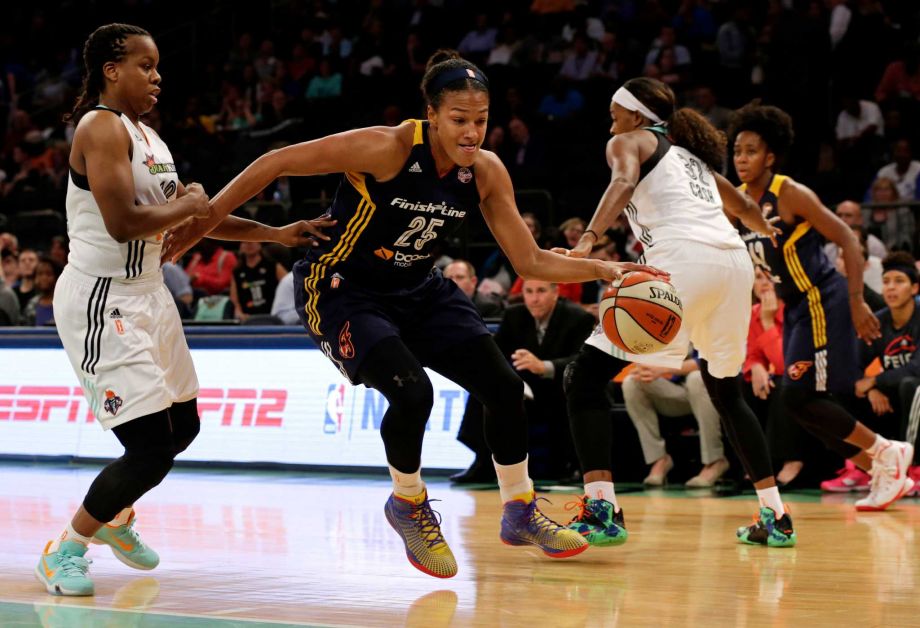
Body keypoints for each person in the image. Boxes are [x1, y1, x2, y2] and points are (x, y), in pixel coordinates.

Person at [161, 50, 663, 579]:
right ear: (432, 113)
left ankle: (519, 510)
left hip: (420, 290)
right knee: (412, 392)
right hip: (341, 288)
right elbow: (276, 160)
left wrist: (610, 271)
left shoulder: (486, 172)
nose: (472, 132)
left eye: (482, 120)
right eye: (459, 120)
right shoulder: (386, 148)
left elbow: (530, 260)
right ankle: (408, 503)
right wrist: (201, 221)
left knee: (504, 386)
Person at [38, 23, 326, 598]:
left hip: (149, 294)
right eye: (145, 66)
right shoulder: (98, 127)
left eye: (158, 66)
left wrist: (277, 233)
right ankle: (65, 550)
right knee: (147, 449)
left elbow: (195, 218)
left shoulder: (149, 138)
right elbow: (122, 222)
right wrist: (189, 204)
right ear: (111, 70)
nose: (157, 77)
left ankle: (115, 515)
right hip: (104, 297)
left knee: (184, 426)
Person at [559, 77, 794, 549]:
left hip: (682, 259)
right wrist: (762, 226)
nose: (611, 122)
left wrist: (587, 239)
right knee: (726, 391)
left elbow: (623, 182)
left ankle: (602, 510)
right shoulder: (694, 159)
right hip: (733, 265)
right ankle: (776, 517)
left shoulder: (628, 141)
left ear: (635, 115)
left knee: (583, 377)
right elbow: (744, 205)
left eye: (614, 112)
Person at [729, 102, 913, 513]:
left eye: (751, 150)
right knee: (795, 402)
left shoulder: (790, 193)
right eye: (737, 150)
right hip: (794, 308)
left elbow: (847, 238)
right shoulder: (737, 202)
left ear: (770, 156)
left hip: (822, 300)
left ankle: (885, 451)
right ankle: (880, 464)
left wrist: (856, 300)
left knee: (802, 395)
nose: (742, 159)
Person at [855, 251, 920, 496]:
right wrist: (872, 389)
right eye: (886, 281)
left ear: (914, 288)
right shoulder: (877, 322)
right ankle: (861, 466)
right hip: (891, 395)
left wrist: (875, 380)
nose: (891, 288)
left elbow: (917, 367)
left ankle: (914, 467)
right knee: (844, 390)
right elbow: (854, 365)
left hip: (914, 391)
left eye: (899, 281)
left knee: (912, 386)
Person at [622, 351, 730, 488]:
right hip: (680, 392)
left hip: (713, 392)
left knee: (696, 378)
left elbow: (707, 361)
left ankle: (715, 461)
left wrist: (663, 368)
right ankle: (659, 459)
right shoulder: (670, 330)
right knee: (632, 382)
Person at [229, 241, 286, 320]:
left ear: (260, 244)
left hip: (273, 317)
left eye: (253, 241)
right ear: (240, 246)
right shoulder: (237, 272)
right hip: (247, 319)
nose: (249, 244)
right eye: (245, 242)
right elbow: (234, 300)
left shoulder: (273, 266)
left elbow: (288, 286)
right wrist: (239, 314)